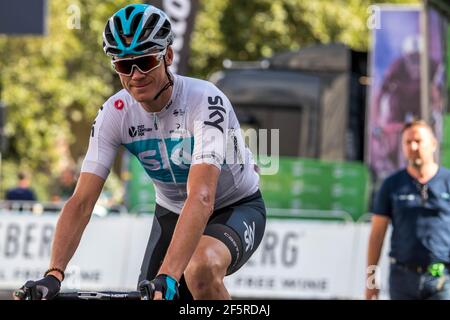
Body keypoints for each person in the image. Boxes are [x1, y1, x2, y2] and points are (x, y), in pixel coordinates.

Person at [15, 4, 266, 300]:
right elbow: (82, 201)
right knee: (153, 295)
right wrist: (53, 274)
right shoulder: (115, 113)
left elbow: (202, 196)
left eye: (145, 61)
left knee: (199, 268)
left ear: (168, 56)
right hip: (172, 212)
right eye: (124, 65)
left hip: (234, 206)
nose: (135, 75)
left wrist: (168, 276)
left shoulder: (206, 100)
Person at [366, 120, 450, 300]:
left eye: (418, 141)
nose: (413, 146)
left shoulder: (447, 181)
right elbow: (376, 235)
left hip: (441, 277)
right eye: (407, 142)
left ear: (433, 144)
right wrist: (371, 281)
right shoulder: (391, 184)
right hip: (402, 278)